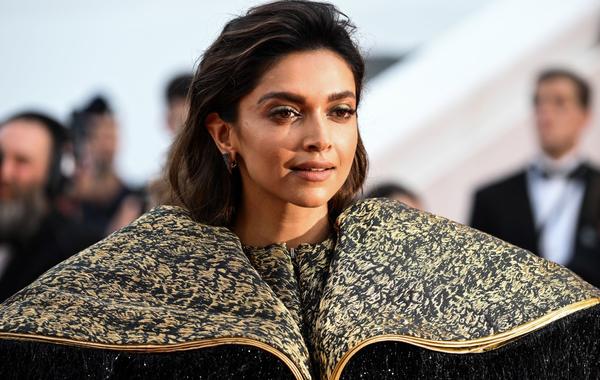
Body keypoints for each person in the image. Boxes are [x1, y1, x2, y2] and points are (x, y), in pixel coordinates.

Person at [0, 2, 599, 379]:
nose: (319, 138)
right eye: (285, 112)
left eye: (340, 112)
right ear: (224, 132)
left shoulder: (430, 261)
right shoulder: (133, 276)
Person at [470, 68, 600, 288]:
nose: (545, 114)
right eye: (539, 103)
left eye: (559, 103)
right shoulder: (491, 199)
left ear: (584, 115)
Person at [0, 112, 97, 302]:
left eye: (21, 161)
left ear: (55, 176)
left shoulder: (78, 255)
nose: (5, 173)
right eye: (0, 157)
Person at [70, 96, 144, 236]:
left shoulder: (135, 200)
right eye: (97, 136)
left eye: (111, 136)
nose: (107, 145)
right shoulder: (67, 205)